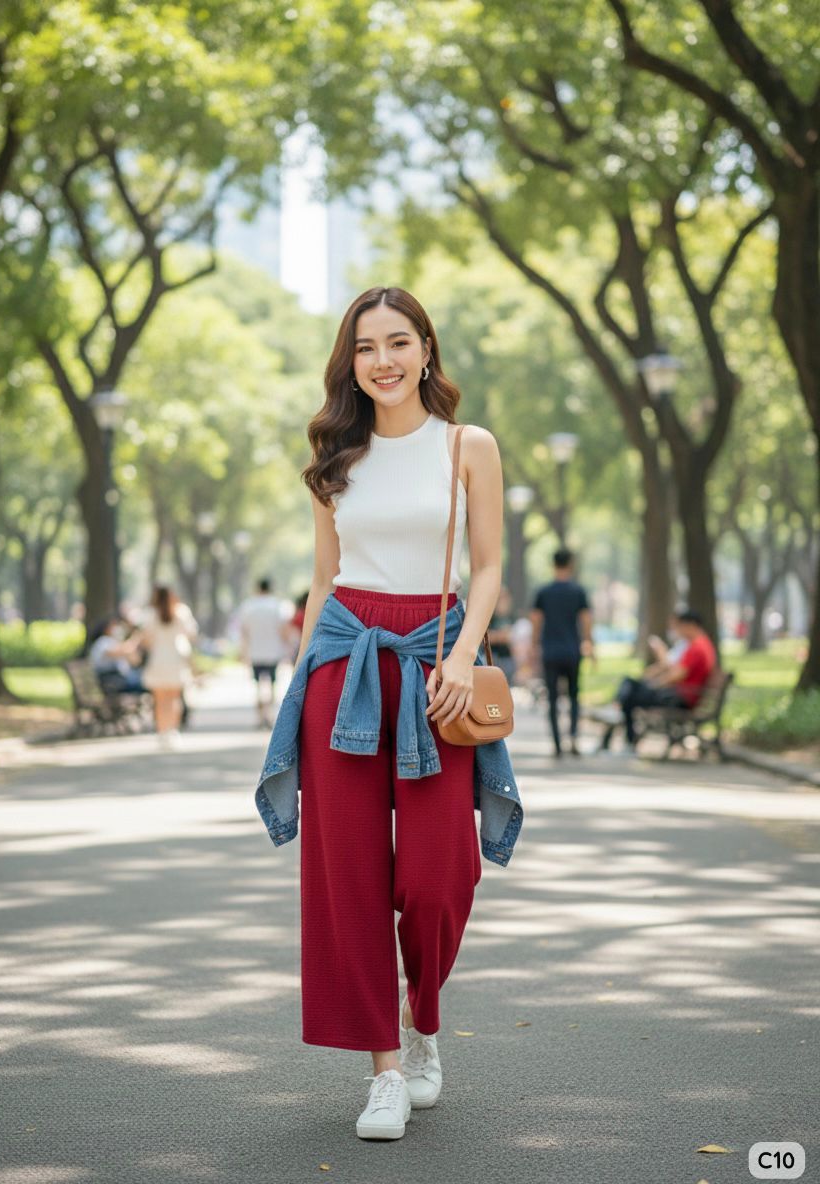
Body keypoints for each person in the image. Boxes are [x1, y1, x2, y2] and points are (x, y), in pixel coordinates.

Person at [254, 286, 522, 1143]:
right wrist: (298, 693)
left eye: (398, 342)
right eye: (366, 347)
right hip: (345, 666)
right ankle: (384, 1070)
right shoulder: (335, 454)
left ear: (427, 349)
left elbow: (487, 568)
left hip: (436, 665)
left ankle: (424, 1017)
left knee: (442, 877)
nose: (384, 360)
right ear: (351, 362)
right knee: (351, 878)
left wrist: (459, 652)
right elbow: (325, 578)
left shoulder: (466, 447)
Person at [615, 609, 717, 752]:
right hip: (680, 695)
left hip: (680, 699)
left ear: (691, 625)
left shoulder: (697, 648)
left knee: (630, 695)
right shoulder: (698, 645)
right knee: (630, 686)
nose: (679, 630)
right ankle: (625, 727)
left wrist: (655, 685)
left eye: (681, 626)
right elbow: (674, 670)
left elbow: (677, 674)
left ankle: (629, 736)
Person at [530, 549, 594, 757]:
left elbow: (536, 621)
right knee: (574, 695)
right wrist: (588, 643)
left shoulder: (544, 592)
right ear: (571, 563)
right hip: (572, 650)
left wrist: (534, 646)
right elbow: (585, 620)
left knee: (553, 697)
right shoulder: (578, 591)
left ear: (553, 564)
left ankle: (557, 743)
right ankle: (573, 736)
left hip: (550, 651)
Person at [139, 586, 198, 748]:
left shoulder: (151, 614)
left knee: (159, 700)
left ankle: (162, 732)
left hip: (158, 659)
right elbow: (191, 634)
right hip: (175, 658)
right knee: (174, 698)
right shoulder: (181, 612)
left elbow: (146, 640)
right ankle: (172, 731)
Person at [239, 578, 293, 729]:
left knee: (257, 686)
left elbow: (244, 631)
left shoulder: (248, 606)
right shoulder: (277, 606)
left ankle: (259, 717)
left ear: (258, 588)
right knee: (272, 685)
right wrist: (288, 648)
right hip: (273, 651)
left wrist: (243, 651)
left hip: (255, 651)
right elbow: (284, 630)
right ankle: (269, 716)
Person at [87, 616, 145, 694]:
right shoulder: (103, 642)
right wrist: (136, 639)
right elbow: (120, 651)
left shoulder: (112, 641)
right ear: (106, 628)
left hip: (120, 679)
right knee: (148, 683)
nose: (116, 628)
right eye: (113, 625)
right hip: (112, 682)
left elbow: (136, 661)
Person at [487, 585, 517, 685]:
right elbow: (485, 637)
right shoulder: (489, 616)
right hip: (493, 658)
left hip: (508, 658)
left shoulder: (510, 616)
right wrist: (500, 636)